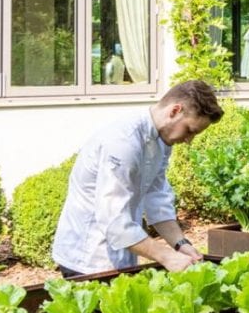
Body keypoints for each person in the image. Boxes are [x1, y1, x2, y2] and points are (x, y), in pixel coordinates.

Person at [52, 80, 224, 277]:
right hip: (86, 257)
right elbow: (113, 221)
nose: (188, 140)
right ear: (175, 110)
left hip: (123, 254)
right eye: (190, 130)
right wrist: (166, 257)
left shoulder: (162, 142)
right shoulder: (123, 143)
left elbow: (156, 197)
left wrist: (180, 244)